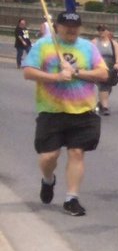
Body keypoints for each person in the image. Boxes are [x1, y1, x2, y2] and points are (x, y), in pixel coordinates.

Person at [21, 11, 109, 216]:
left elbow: (103, 73)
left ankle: (71, 198)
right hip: (51, 110)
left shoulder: (88, 47)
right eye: (67, 26)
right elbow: (28, 72)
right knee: (48, 156)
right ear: (58, 27)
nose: (71, 30)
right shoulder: (44, 45)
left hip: (83, 111)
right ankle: (48, 179)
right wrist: (57, 77)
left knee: (77, 153)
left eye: (75, 26)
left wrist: (77, 72)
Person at [92, 24, 118, 115]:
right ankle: (105, 107)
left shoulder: (113, 43)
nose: (101, 32)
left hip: (111, 69)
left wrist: (117, 63)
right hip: (99, 68)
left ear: (108, 31)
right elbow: (89, 54)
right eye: (99, 30)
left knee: (108, 87)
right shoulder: (94, 42)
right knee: (103, 86)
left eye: (103, 30)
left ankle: (100, 103)